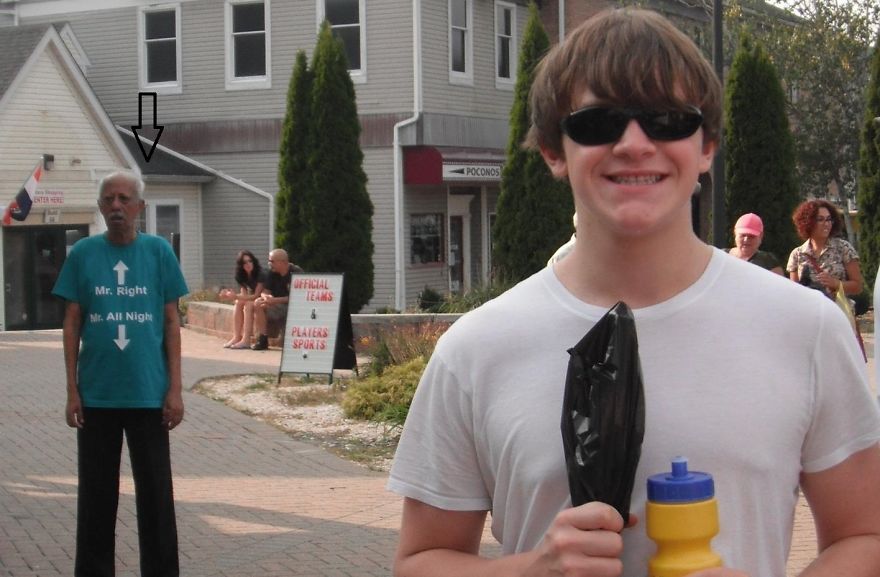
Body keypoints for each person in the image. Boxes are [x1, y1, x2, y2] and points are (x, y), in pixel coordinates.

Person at [387, 9, 880, 577]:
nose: (635, 143)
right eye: (599, 122)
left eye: (667, 119)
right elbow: (420, 560)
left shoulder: (804, 327)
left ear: (707, 146)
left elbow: (864, 535)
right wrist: (531, 570)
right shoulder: (477, 347)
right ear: (553, 149)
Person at [52, 170, 188, 577]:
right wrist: (72, 390)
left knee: (156, 496)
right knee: (95, 497)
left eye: (124, 199)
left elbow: (171, 322)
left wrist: (175, 389)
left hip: (149, 395)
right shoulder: (83, 254)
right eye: (109, 199)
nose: (116, 206)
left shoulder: (158, 253)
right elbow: (72, 321)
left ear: (139, 207)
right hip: (97, 396)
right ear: (99, 206)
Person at [786, 199, 863, 298]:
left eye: (829, 219)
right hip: (810, 307)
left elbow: (858, 286)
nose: (826, 224)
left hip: (836, 306)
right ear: (808, 222)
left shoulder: (843, 248)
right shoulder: (797, 254)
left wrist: (835, 283)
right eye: (820, 219)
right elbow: (795, 293)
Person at [251, 248, 303, 350]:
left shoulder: (296, 272)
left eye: (272, 261)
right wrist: (266, 297)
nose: (269, 264)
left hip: (292, 308)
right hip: (277, 306)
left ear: (282, 262)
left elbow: (297, 297)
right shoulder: (272, 272)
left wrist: (275, 300)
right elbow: (265, 291)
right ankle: (262, 339)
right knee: (258, 303)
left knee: (285, 345)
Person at [218, 249, 266, 348]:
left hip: (264, 297)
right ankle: (236, 337)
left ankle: (246, 340)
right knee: (238, 303)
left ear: (253, 261)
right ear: (241, 265)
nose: (248, 264)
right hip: (254, 298)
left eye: (250, 261)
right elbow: (244, 295)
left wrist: (235, 296)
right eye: (244, 263)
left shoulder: (261, 273)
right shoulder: (241, 276)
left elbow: (256, 295)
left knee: (248, 305)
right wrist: (229, 295)